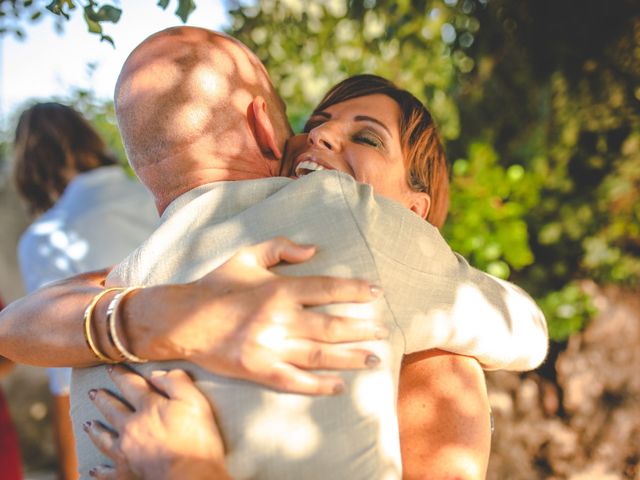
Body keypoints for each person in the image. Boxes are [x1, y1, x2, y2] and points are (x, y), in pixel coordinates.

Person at [0, 27, 546, 478]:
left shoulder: (435, 355)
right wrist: (172, 315)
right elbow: (19, 323)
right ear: (271, 133)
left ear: (415, 209)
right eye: (315, 125)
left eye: (368, 138)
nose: (323, 138)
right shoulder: (170, 269)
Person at [12, 102, 158, 480]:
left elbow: (62, 373)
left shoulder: (43, 239)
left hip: (115, 418)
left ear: (28, 166)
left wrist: (71, 471)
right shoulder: (151, 194)